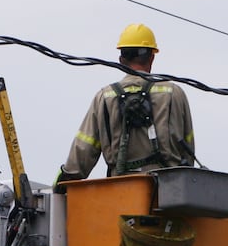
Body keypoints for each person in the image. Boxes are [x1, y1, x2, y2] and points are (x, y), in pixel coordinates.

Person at [57, 23, 195, 183]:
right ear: (152, 57)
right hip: (169, 193)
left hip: (121, 194)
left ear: (121, 60)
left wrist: (61, 182)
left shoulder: (104, 97)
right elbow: (188, 151)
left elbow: (81, 155)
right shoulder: (174, 94)